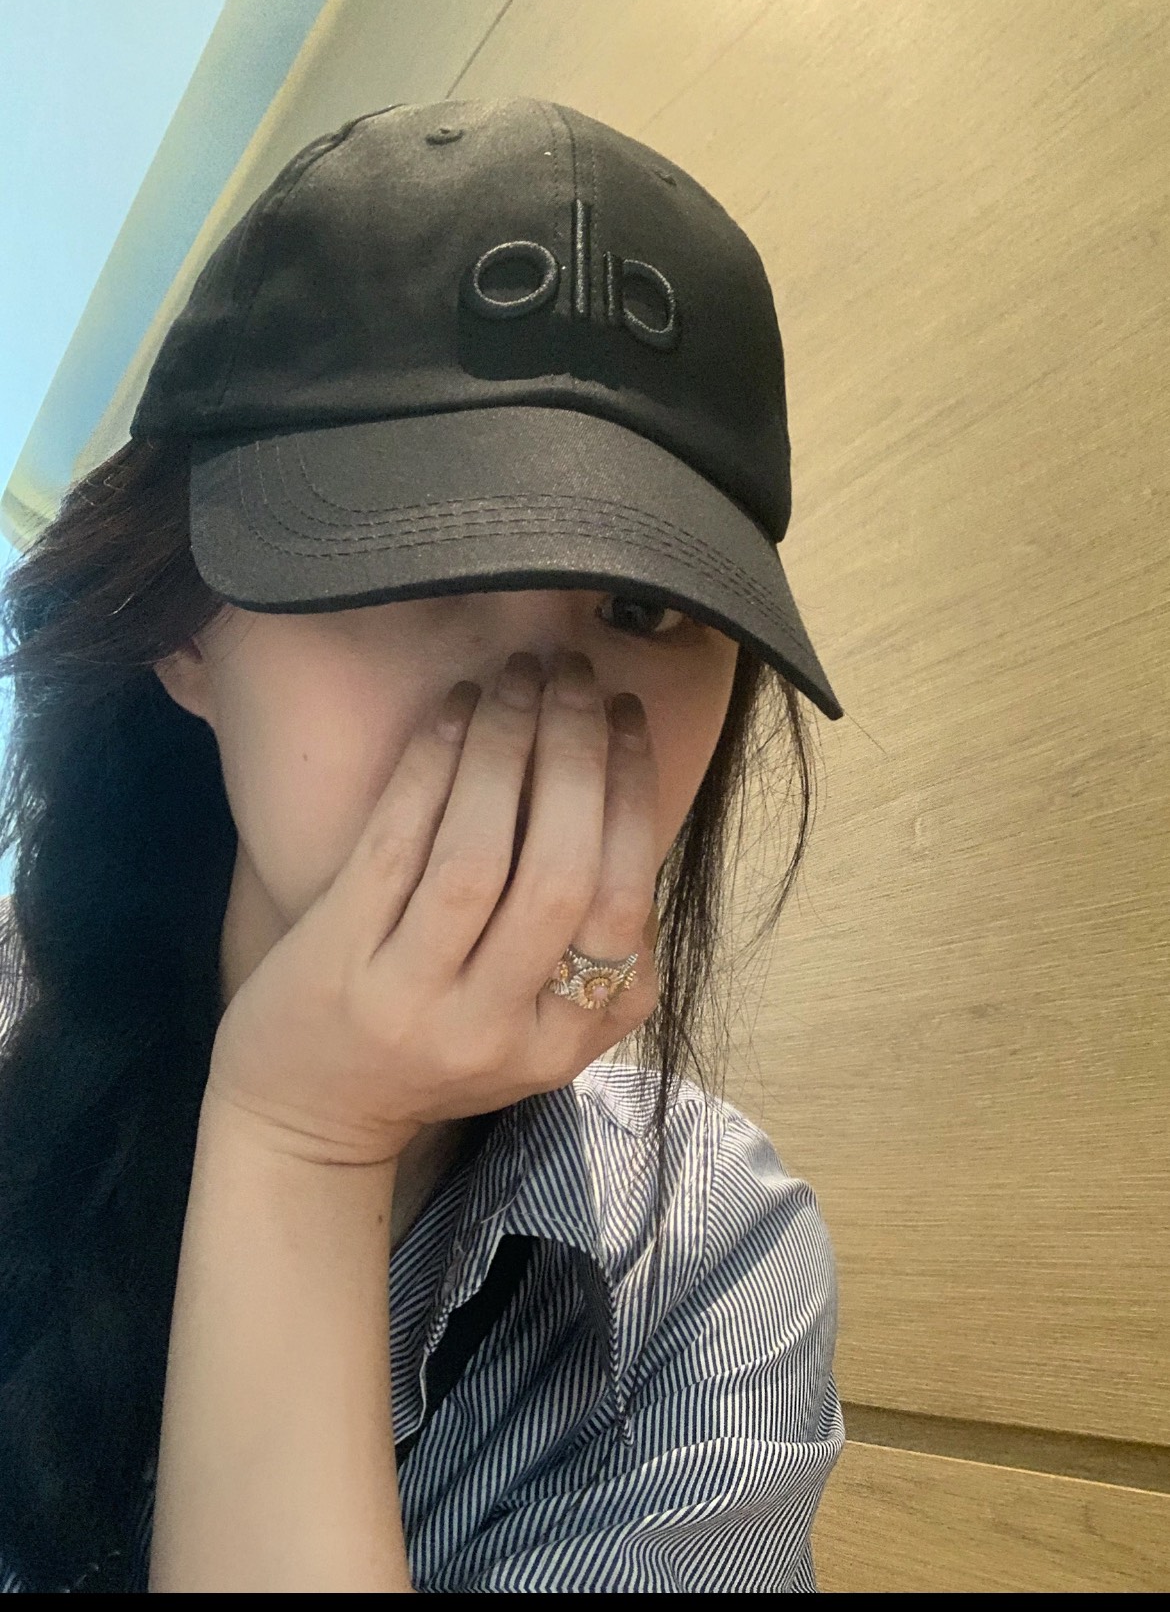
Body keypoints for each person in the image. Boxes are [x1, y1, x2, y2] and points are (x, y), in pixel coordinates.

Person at [0, 98, 847, 1593]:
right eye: (402, 568)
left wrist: (307, 1132)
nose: (536, 710)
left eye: (639, 611)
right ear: (184, 630)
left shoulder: (712, 1262)